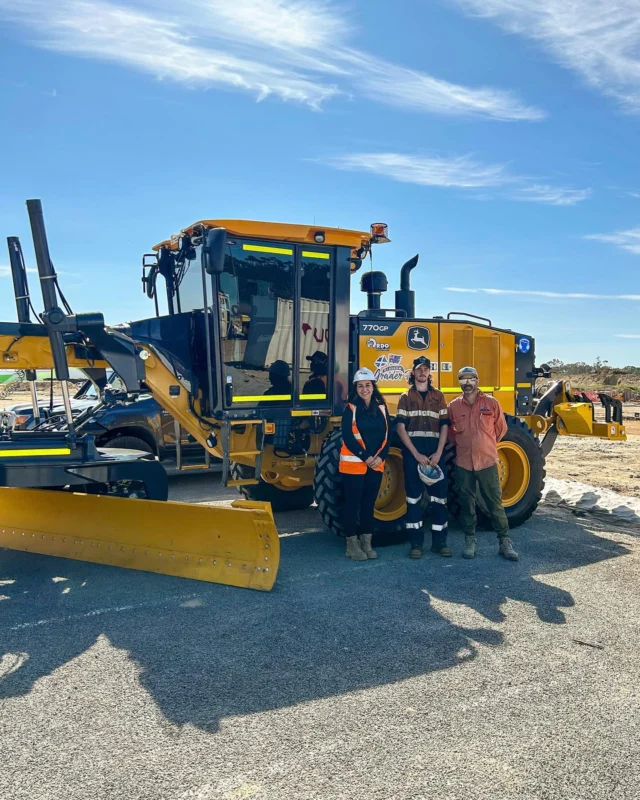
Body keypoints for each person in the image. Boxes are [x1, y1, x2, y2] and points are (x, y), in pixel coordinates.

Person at [448, 366, 519, 561]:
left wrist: (485, 445)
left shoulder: (491, 403)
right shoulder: (453, 406)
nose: (467, 383)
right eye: (463, 379)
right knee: (466, 503)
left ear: (477, 381)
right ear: (459, 382)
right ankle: (470, 540)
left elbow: (500, 429)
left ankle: (504, 541)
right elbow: (451, 433)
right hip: (464, 463)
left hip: (487, 462)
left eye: (471, 379)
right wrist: (466, 445)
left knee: (494, 503)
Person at [396, 356, 451, 559]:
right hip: (414, 453)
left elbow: (445, 424)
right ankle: (416, 545)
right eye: (419, 369)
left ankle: (440, 543)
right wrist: (416, 454)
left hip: (435, 452)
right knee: (413, 499)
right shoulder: (405, 396)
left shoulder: (439, 396)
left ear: (429, 373)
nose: (422, 372)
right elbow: (401, 428)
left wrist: (438, 453)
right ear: (413, 373)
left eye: (426, 369)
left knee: (439, 499)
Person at [339, 367, 390, 561]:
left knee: (368, 504)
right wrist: (366, 457)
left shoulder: (381, 408)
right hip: (354, 465)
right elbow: (348, 437)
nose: (364, 389)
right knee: (352, 504)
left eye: (367, 385)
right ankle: (352, 546)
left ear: (373, 387)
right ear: (356, 388)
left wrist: (380, 457)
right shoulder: (350, 409)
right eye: (360, 386)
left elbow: (388, 434)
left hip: (376, 464)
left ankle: (366, 543)